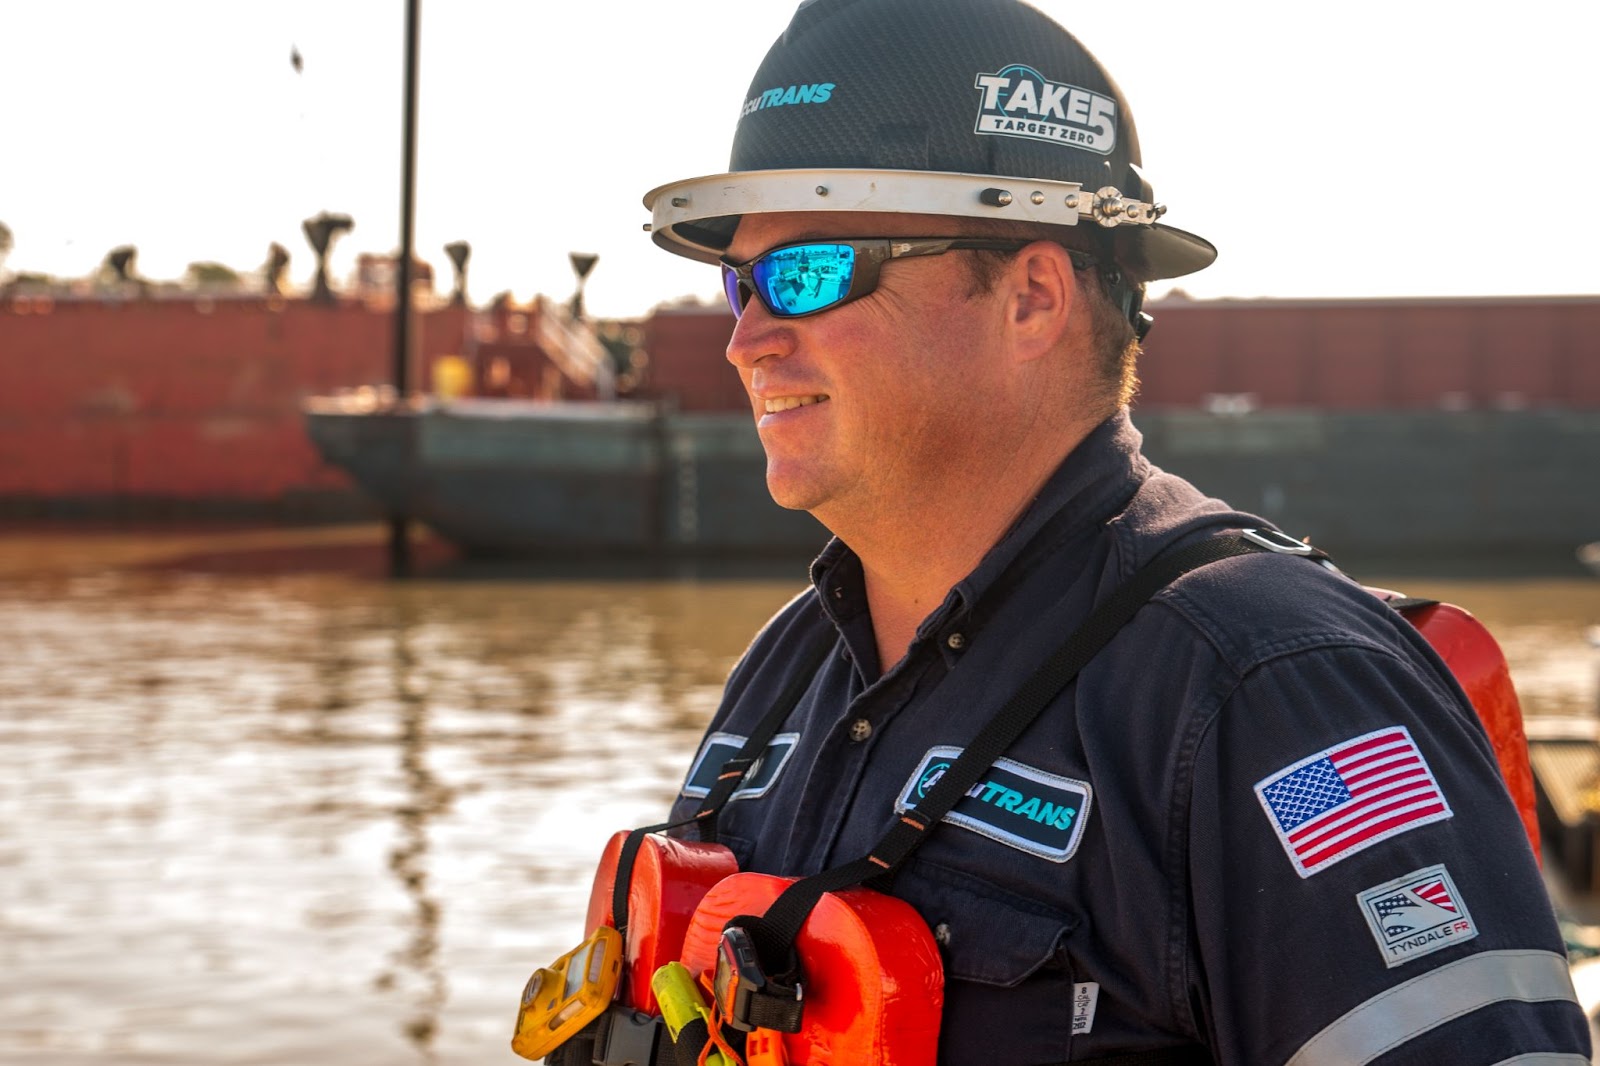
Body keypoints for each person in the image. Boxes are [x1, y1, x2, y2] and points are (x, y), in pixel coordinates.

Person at [640, 1, 1591, 1062]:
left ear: (1032, 298)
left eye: (805, 274)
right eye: (737, 281)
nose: (745, 339)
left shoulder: (1270, 694)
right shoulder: (786, 669)